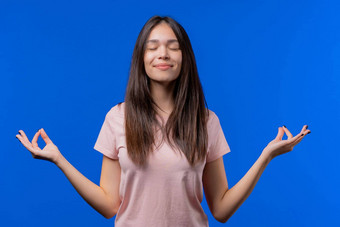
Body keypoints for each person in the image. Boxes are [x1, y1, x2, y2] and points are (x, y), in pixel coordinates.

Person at [15, 16, 311, 226]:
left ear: (185, 57)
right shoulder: (118, 117)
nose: (163, 54)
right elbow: (108, 205)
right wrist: (59, 159)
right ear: (141, 58)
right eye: (153, 46)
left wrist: (266, 156)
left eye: (173, 46)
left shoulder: (206, 121)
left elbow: (220, 209)